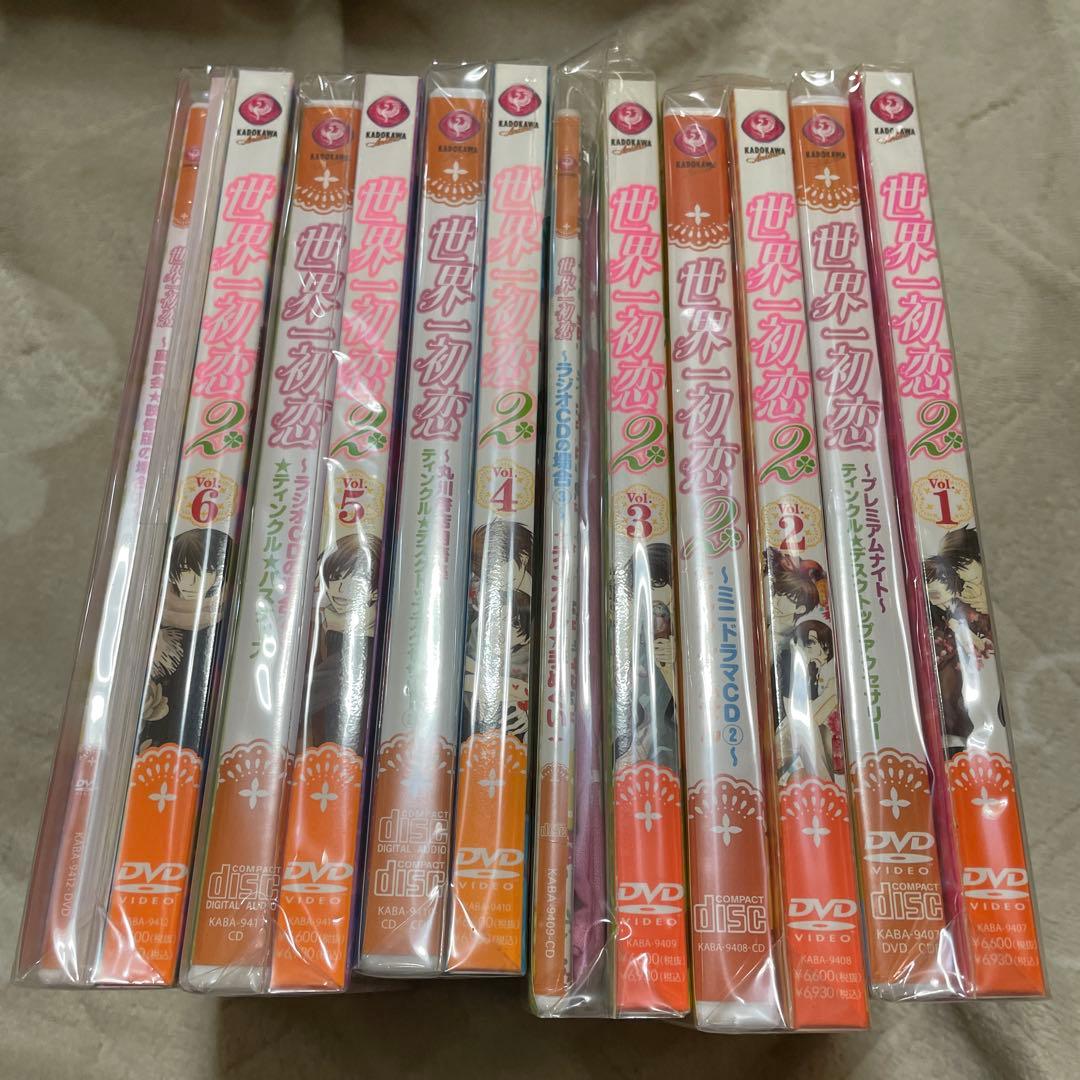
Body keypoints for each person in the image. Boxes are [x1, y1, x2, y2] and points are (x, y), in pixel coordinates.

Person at [139, 528, 233, 752]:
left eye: (205, 571)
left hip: (213, 721)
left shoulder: (226, 617)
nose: (191, 581)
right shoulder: (156, 617)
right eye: (182, 570)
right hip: (158, 730)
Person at [303, 532, 381, 751]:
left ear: (375, 591)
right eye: (336, 577)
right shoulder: (330, 616)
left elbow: (315, 689)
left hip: (357, 669)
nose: (339, 589)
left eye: (355, 580)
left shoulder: (369, 631)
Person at [611, 542, 678, 771]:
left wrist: (669, 669)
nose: (657, 620)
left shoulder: (682, 651)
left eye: (663, 611)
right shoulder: (624, 643)